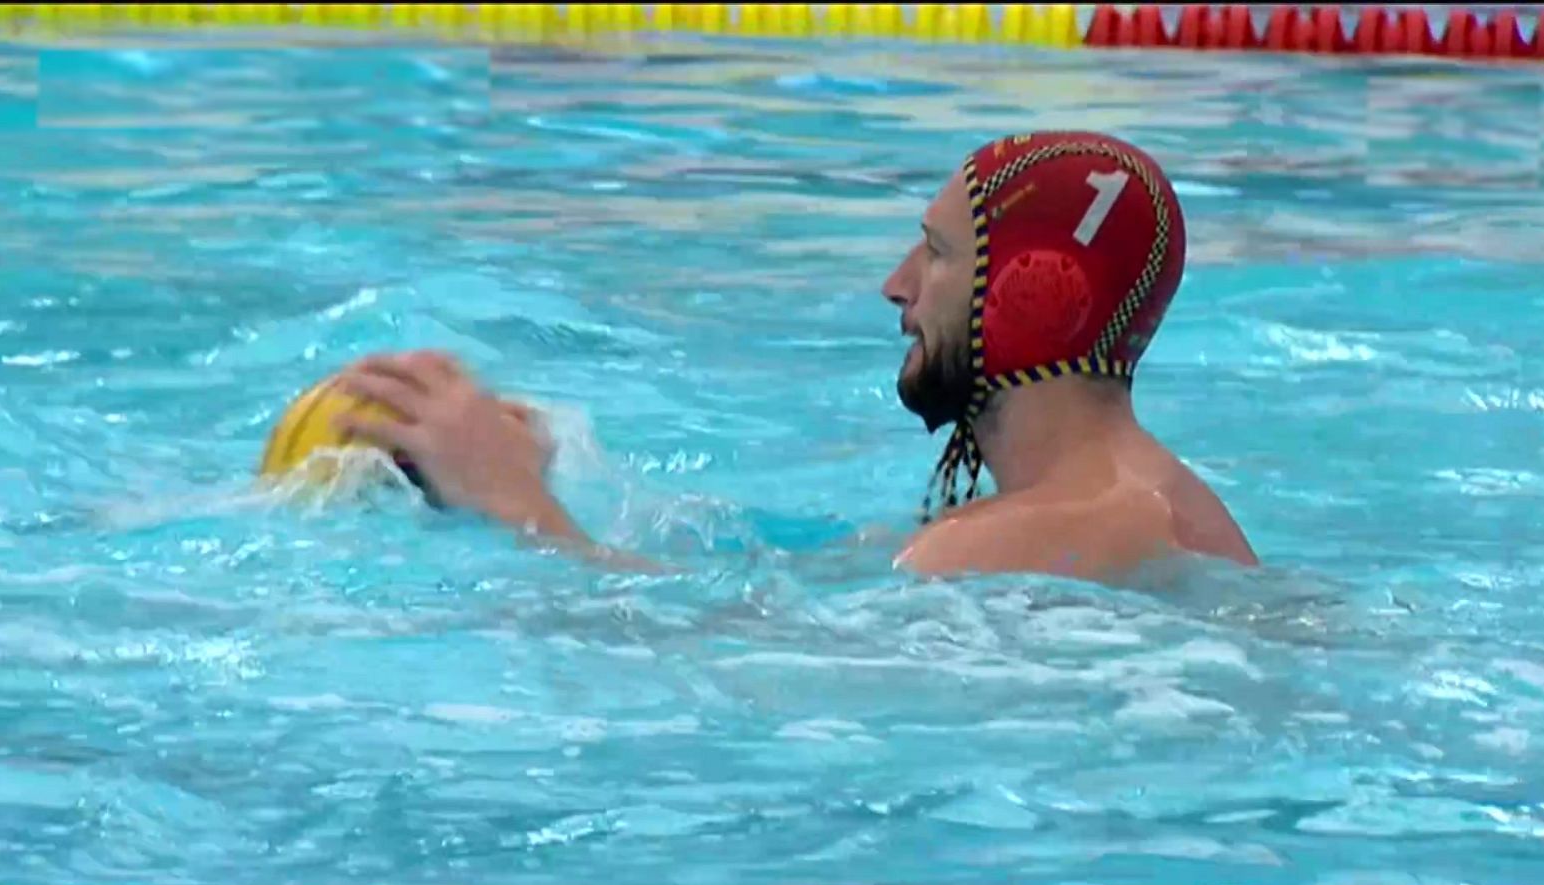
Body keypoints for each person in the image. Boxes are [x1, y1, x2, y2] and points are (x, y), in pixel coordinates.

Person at [333, 131, 1258, 584]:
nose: (895, 285)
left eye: (935, 255)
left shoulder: (1042, 532)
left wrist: (516, 509)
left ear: (1034, 298)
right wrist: (557, 480)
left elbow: (715, 682)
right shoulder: (1100, 509)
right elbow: (770, 592)